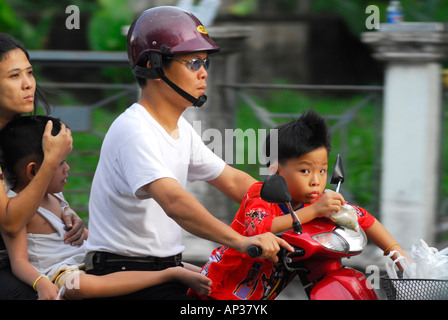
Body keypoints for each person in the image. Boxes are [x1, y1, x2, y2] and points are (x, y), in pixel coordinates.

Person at [84, 6, 292, 300]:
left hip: (166, 271)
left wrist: (299, 209)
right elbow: (175, 202)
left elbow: (234, 182)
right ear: (154, 65)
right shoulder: (134, 130)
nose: (204, 72)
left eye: (205, 62)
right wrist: (241, 241)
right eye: (193, 63)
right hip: (124, 279)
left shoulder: (178, 129)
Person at [189, 109, 408, 300]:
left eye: (322, 170)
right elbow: (260, 229)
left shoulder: (316, 201)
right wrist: (314, 211)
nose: (316, 180)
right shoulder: (262, 196)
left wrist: (399, 256)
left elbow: (363, 217)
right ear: (276, 170)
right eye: (305, 170)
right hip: (219, 289)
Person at [0, 115, 213, 300]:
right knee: (78, 286)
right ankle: (168, 273)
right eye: (60, 163)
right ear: (34, 171)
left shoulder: (53, 193)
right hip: (62, 274)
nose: (67, 168)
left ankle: (211, 274)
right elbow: (19, 262)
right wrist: (41, 283)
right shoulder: (18, 207)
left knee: (141, 257)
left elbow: (74, 236)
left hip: (86, 258)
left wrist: (104, 243)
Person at [0, 33, 84, 300]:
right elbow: (11, 222)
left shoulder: (18, 133)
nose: (28, 85)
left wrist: (65, 211)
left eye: (30, 73)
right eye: (14, 76)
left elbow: (32, 185)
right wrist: (50, 162)